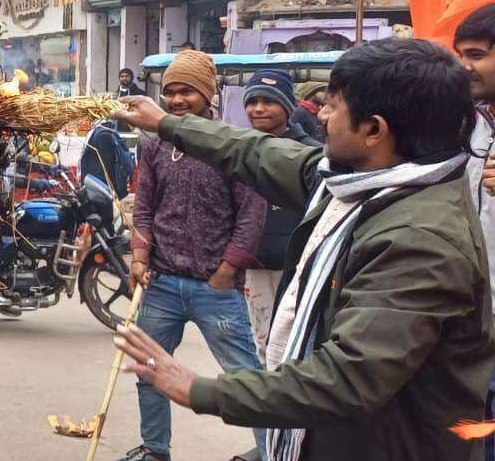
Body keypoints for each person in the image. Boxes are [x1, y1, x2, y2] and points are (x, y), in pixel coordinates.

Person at [112, 39, 493, 461]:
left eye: (333, 107)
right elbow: (256, 152)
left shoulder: (419, 240)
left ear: (374, 130)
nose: (321, 116)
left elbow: (346, 378)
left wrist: (196, 389)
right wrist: (166, 123)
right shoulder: (355, 181)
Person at [121, 50, 266, 461]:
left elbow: (251, 215)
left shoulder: (231, 144)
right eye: (170, 92)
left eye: (187, 91)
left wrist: (227, 269)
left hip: (215, 287)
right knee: (149, 370)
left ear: (208, 94)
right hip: (161, 283)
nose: (177, 100)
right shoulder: (153, 144)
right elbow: (144, 206)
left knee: (246, 378)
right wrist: (139, 256)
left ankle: (273, 451)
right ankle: (155, 449)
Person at [239, 69, 321, 360]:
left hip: (300, 269)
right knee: (261, 344)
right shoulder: (241, 151)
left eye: (269, 101)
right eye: (252, 101)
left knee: (297, 346)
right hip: (256, 266)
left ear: (288, 106)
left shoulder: (311, 154)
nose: (258, 109)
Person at [451, 4, 495, 461]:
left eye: (477, 55)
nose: (465, 66)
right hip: (470, 320)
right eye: (460, 55)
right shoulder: (466, 126)